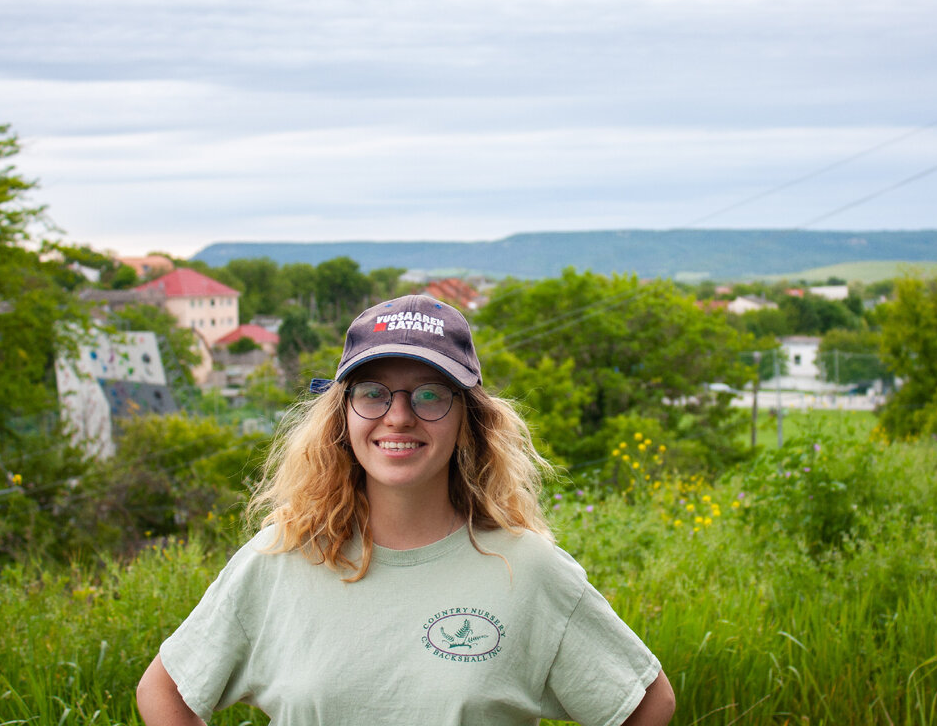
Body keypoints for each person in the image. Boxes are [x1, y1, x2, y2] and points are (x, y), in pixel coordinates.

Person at [137, 294, 675, 726]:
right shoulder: (280, 557)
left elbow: (647, 703)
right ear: (341, 415)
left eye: (429, 396)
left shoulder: (527, 569)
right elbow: (164, 690)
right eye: (373, 393)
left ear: (469, 418)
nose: (398, 417)